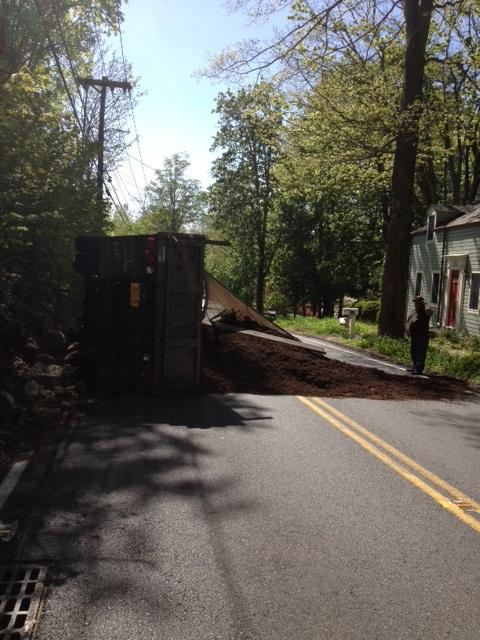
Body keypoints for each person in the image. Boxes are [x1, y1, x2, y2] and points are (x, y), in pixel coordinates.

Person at [406, 296, 433, 375]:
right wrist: (407, 329)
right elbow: (408, 321)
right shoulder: (413, 311)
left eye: (418, 302)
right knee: (413, 352)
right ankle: (414, 366)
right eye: (415, 302)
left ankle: (419, 369)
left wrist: (426, 306)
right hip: (414, 336)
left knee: (421, 353)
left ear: (421, 303)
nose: (416, 304)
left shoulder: (425, 312)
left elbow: (430, 311)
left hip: (422, 336)